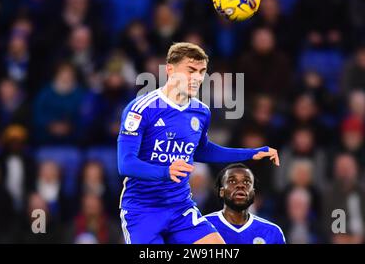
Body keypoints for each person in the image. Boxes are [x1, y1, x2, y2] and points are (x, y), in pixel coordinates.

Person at [117, 42, 280, 244]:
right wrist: (165, 172)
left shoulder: (201, 111)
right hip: (144, 210)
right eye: (191, 70)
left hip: (180, 207)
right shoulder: (141, 108)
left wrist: (249, 153)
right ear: (170, 70)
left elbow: (202, 150)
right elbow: (126, 164)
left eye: (202, 72)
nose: (197, 78)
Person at [204, 163, 285, 244]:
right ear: (221, 192)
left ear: (253, 193)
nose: (240, 185)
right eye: (232, 181)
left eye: (246, 182)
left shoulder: (272, 232)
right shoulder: (201, 226)